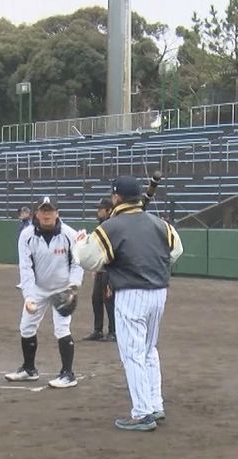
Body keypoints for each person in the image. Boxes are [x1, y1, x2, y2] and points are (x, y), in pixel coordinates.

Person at [73, 176, 183, 431]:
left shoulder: (111, 227)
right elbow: (176, 251)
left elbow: (89, 261)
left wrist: (79, 246)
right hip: (158, 291)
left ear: (116, 198)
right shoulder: (159, 223)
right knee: (148, 350)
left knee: (133, 354)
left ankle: (143, 412)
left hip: (131, 292)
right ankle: (155, 404)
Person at [5, 201, 83, 389]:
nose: (47, 215)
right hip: (38, 288)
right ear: (36, 214)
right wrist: (29, 296)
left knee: (62, 328)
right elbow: (26, 267)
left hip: (62, 288)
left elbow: (77, 263)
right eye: (43, 212)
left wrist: (72, 288)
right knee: (26, 327)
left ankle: (68, 373)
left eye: (50, 211)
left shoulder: (69, 234)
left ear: (57, 213)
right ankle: (29, 369)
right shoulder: (27, 235)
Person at [83, 198, 117, 342]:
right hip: (101, 268)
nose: (98, 212)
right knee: (96, 298)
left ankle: (113, 331)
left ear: (109, 210)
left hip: (110, 268)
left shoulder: (112, 225)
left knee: (109, 300)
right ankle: (98, 330)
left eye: (100, 209)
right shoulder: (102, 225)